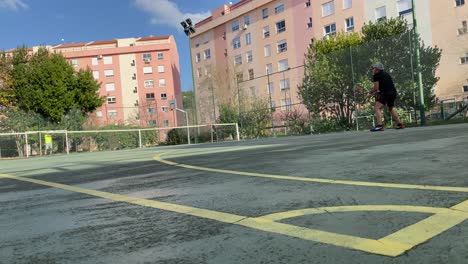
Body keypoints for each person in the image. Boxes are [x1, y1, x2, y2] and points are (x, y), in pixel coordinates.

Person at [370, 63, 405, 132]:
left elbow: (376, 88)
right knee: (390, 108)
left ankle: (380, 126)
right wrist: (375, 92)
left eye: (374, 68)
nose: (373, 70)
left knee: (377, 107)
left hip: (386, 93)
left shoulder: (376, 75)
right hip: (393, 93)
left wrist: (371, 92)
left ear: (377, 69)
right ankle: (400, 124)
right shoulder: (386, 74)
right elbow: (384, 86)